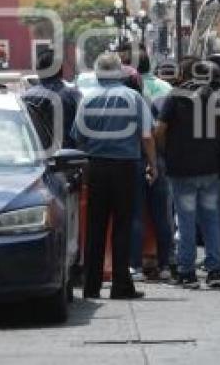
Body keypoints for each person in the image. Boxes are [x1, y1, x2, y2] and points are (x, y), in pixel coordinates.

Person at [72, 52, 157, 300]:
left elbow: (78, 136)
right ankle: (121, 285)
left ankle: (92, 285)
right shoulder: (134, 98)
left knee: (95, 227)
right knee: (123, 225)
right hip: (126, 168)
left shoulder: (87, 100)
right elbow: (147, 136)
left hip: (96, 167)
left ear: (98, 73)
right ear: (120, 73)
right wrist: (153, 165)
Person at [156, 57, 220, 289]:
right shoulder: (215, 96)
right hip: (210, 166)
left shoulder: (175, 96)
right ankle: (214, 269)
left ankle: (187, 271)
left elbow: (160, 130)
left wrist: (165, 153)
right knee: (210, 218)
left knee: (186, 220)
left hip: (182, 168)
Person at [124, 50, 174, 282]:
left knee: (136, 215)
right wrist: (156, 162)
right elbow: (154, 134)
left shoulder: (122, 103)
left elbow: (147, 136)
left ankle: (134, 265)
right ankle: (166, 263)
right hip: (155, 161)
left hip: (134, 162)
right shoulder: (152, 99)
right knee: (161, 215)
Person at [22, 45, 81, 151]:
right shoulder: (73, 96)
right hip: (67, 158)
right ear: (61, 70)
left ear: (38, 71)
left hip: (36, 156)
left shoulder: (25, 98)